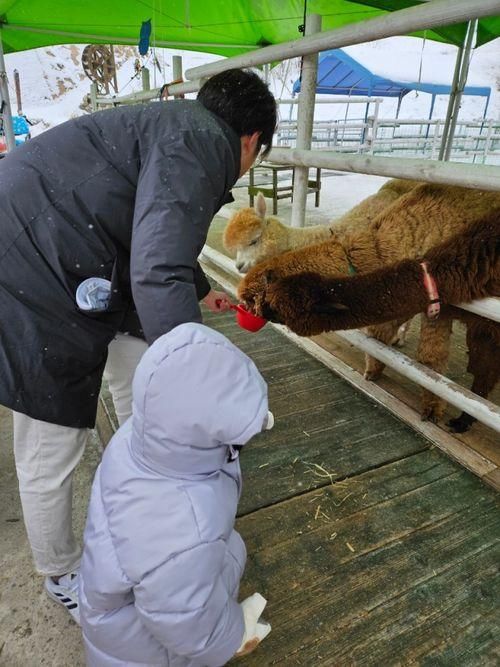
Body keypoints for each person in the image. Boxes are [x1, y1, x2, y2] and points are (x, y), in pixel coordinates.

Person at [0, 67, 277, 621]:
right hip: (33, 259)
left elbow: (147, 231)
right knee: (53, 430)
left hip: (75, 251)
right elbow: (154, 268)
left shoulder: (180, 127)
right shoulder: (201, 141)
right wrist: (194, 382)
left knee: (139, 360)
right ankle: (62, 572)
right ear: (253, 141)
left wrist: (199, 293)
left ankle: (147, 492)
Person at [80, 322, 273, 666]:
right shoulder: (183, 525)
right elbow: (184, 621)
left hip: (113, 611)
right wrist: (232, 635)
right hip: (148, 650)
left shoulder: (138, 440)